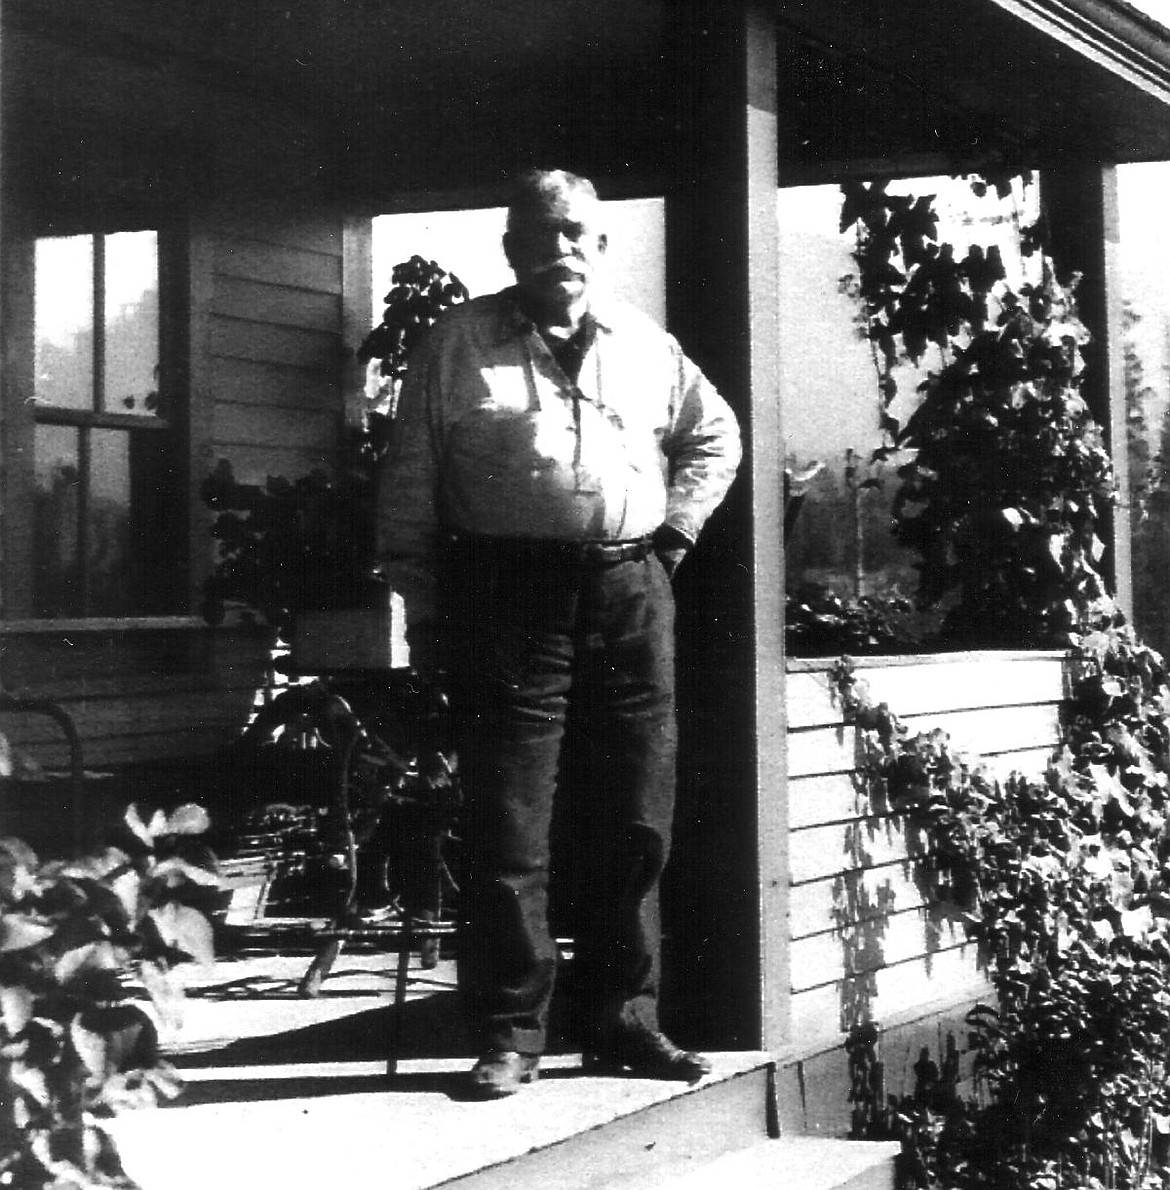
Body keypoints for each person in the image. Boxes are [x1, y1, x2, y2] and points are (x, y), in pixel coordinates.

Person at [377, 168, 741, 1099]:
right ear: (511, 251)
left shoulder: (647, 345)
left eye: (576, 233)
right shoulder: (457, 344)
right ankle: (510, 1032)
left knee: (634, 816)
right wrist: (423, 611)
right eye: (539, 236)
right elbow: (410, 485)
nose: (559, 251)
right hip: (505, 600)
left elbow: (717, 436)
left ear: (601, 246)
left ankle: (623, 1018)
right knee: (509, 821)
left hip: (628, 590)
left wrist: (674, 535)